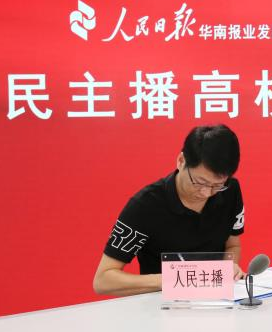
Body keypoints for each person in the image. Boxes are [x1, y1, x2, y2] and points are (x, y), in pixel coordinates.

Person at [93, 124, 245, 296]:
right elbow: (103, 280)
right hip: (160, 304)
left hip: (216, 302)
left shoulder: (230, 190)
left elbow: (233, 245)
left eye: (217, 185)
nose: (206, 193)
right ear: (181, 161)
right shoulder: (145, 206)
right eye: (199, 182)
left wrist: (227, 269)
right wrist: (179, 279)